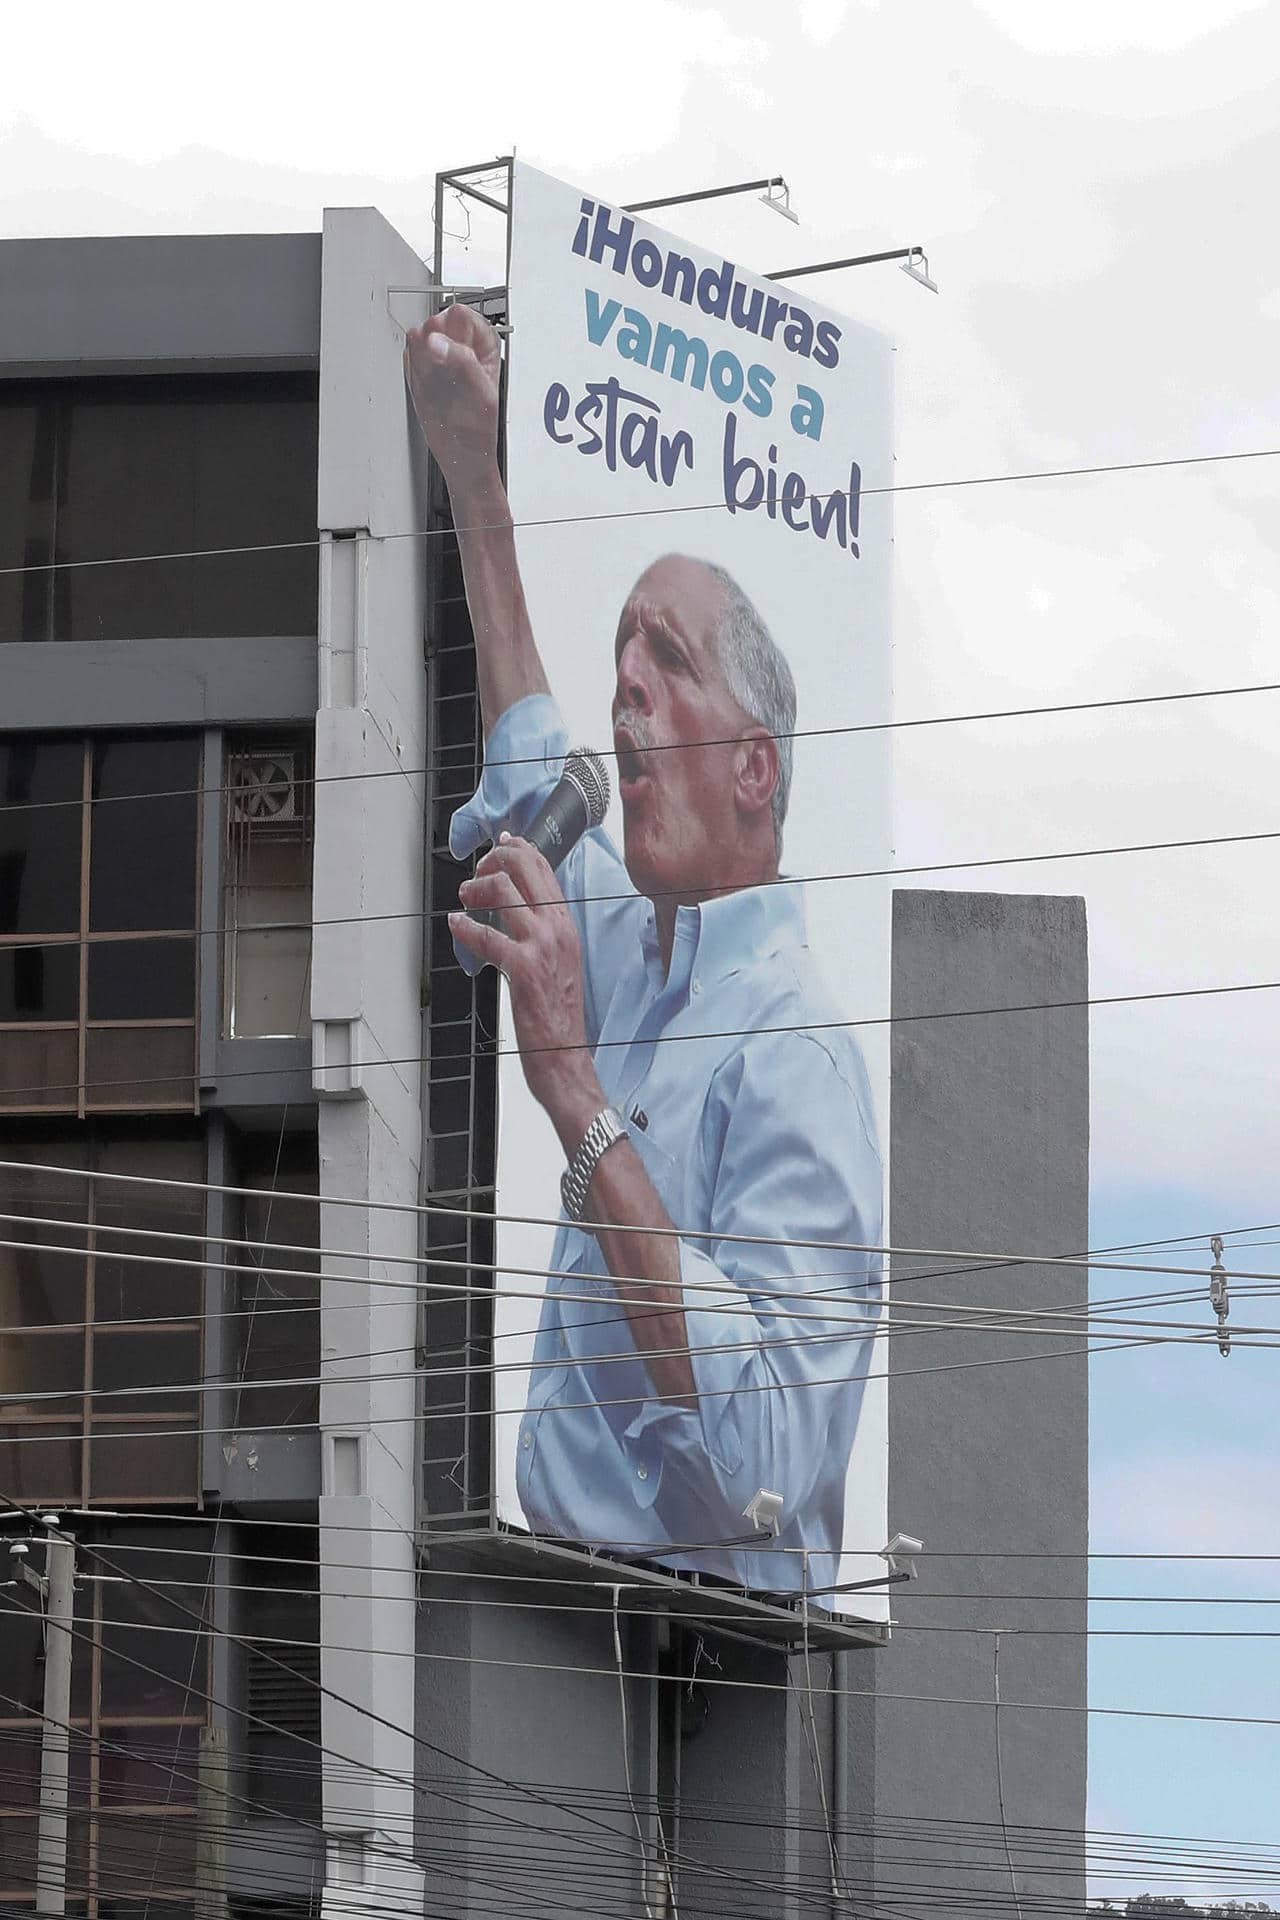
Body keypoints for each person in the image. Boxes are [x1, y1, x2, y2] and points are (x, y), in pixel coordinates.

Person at [405, 304, 884, 1595]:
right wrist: (472, 472)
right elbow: (528, 755)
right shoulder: (634, 952)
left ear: (754, 768)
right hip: (559, 1609)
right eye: (623, 653)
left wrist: (577, 1096)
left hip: (708, 1664)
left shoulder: (798, 1058)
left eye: (666, 658)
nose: (627, 682)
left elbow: (766, 1470)